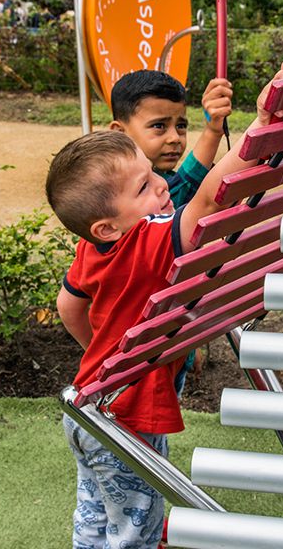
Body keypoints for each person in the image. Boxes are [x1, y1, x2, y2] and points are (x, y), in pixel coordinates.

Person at [46, 63, 283, 549]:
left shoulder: (94, 248)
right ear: (107, 225)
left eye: (150, 174)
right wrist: (264, 124)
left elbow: (68, 306)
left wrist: (110, 351)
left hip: (89, 405)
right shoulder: (146, 240)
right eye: (144, 187)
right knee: (136, 531)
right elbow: (206, 203)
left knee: (96, 519)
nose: (162, 186)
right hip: (127, 416)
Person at [109, 70, 233, 395]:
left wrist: (212, 130)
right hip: (138, 354)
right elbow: (190, 184)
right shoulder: (134, 203)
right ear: (119, 134)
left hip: (166, 347)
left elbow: (189, 179)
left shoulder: (161, 187)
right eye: (159, 126)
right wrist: (213, 132)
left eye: (180, 125)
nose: (175, 138)